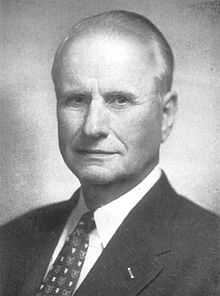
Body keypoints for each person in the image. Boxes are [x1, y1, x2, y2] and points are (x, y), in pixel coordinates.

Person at [0, 10, 219, 296]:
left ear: (166, 115)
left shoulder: (212, 257)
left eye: (119, 100)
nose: (92, 127)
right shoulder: (11, 240)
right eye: (75, 100)